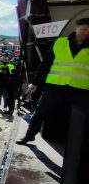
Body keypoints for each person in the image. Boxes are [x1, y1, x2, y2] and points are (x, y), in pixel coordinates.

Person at [17, 17, 89, 145]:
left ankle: (74, 145)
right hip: (55, 86)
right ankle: (29, 135)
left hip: (81, 90)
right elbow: (45, 64)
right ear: (76, 28)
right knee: (40, 112)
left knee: (79, 118)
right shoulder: (59, 43)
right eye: (84, 29)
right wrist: (35, 82)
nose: (86, 32)